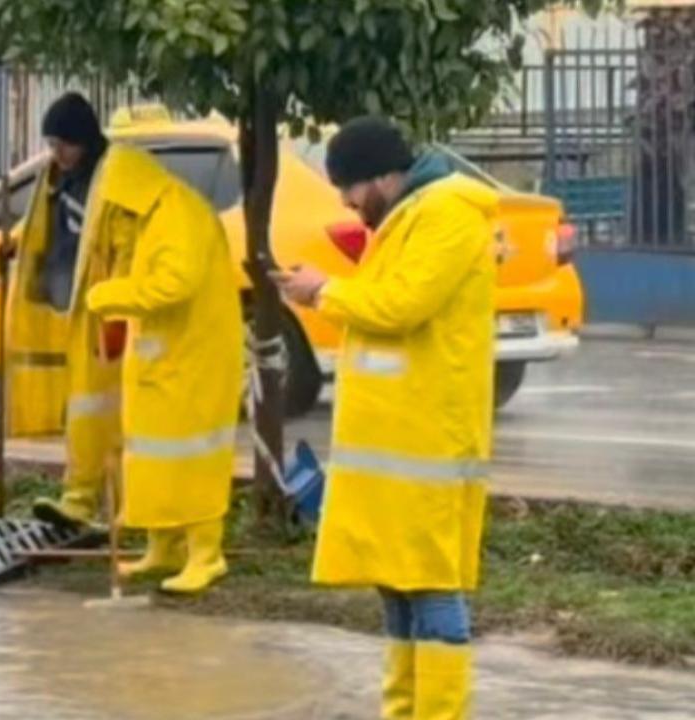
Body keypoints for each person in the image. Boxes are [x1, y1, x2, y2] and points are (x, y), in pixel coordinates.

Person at [274, 116, 496, 719]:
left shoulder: (447, 215)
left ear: (381, 175)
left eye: (348, 186)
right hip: (397, 440)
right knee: (396, 586)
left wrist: (323, 292)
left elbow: (402, 305)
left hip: (428, 441)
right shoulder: (404, 218)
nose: (346, 201)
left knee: (430, 586)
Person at [6, 92, 243, 593]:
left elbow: (170, 284)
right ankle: (162, 547)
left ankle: (206, 554)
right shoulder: (150, 211)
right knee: (153, 455)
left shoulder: (177, 216)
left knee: (193, 459)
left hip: (195, 360)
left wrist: (108, 293)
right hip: (161, 355)